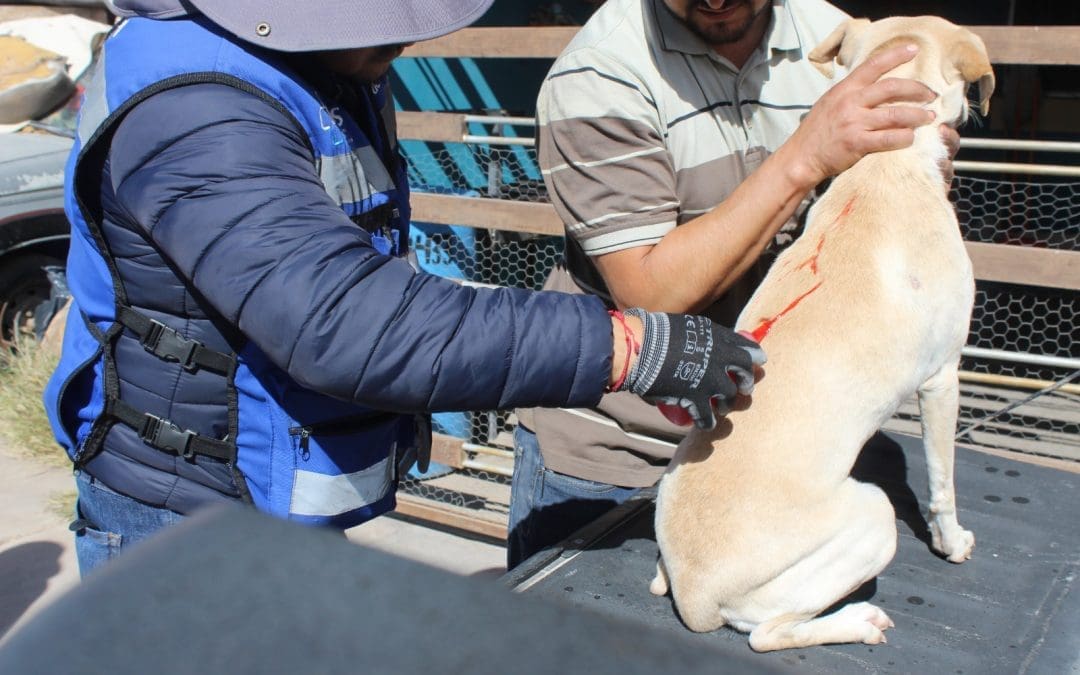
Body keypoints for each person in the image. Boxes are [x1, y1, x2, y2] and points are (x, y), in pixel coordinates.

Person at [45, 0, 766, 576]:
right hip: (184, 536)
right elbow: (348, 322)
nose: (402, 42)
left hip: (258, 507)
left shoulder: (310, 64)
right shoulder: (199, 109)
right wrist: (630, 345)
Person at [509, 0, 961, 568]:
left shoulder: (835, 37)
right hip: (624, 453)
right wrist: (807, 154)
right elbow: (651, 296)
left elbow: (903, 175)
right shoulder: (598, 75)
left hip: (776, 450)